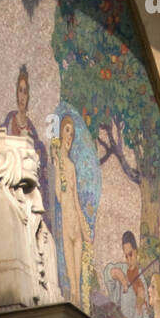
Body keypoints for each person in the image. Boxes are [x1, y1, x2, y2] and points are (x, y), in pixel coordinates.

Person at [50, 114, 91, 303]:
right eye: (67, 131)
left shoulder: (72, 166)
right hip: (66, 228)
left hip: (75, 224)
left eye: (72, 134)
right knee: (71, 283)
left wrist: (84, 228)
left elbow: (76, 200)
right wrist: (56, 163)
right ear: (60, 132)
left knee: (78, 284)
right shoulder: (59, 163)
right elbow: (59, 193)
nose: (69, 137)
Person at [106, 230, 150, 318]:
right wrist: (118, 274)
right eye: (126, 256)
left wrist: (139, 307)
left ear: (136, 251)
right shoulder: (123, 268)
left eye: (131, 254)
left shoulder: (142, 283)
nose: (129, 260)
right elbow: (108, 272)